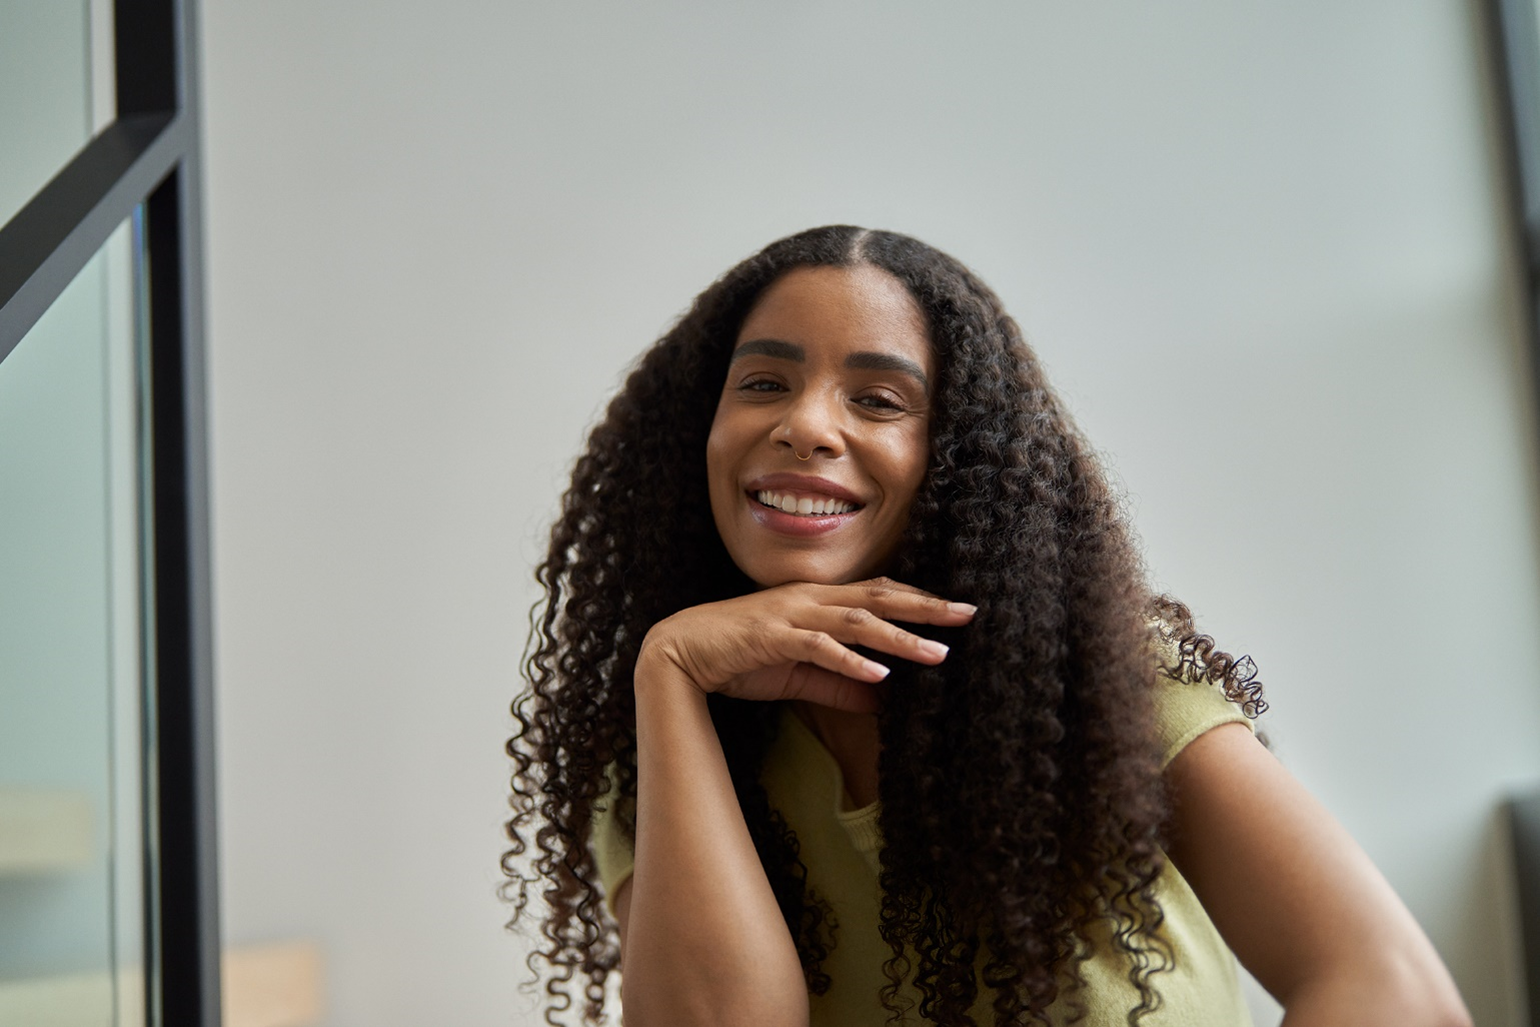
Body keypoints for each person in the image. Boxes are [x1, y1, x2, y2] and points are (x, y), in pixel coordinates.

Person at [502, 226, 1471, 1027]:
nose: (805, 424)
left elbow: (1394, 988)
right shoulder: (661, 754)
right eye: (761, 382)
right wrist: (667, 671)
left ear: (955, 458)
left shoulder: (1098, 674)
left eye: (877, 399)